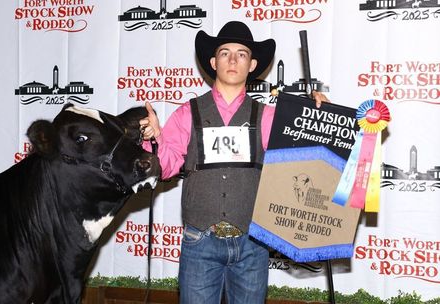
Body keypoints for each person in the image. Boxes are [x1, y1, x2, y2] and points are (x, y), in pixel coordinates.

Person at [140, 21, 328, 304]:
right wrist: (153, 141)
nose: (232, 59)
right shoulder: (186, 114)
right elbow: (166, 167)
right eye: (225, 52)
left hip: (252, 243)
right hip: (200, 241)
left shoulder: (268, 117)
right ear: (214, 61)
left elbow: (303, 162)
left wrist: (319, 118)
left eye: (241, 54)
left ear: (251, 65)